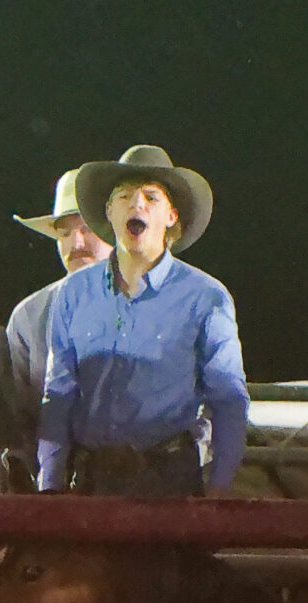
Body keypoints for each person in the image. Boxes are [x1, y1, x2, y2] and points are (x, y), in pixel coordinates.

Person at [35, 145, 247, 498]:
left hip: (169, 481)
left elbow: (228, 399)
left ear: (171, 216)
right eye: (125, 196)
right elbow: (57, 395)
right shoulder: (73, 293)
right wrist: (51, 485)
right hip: (92, 480)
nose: (137, 204)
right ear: (109, 212)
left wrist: (220, 487)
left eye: (151, 197)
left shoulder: (206, 297)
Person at [2, 170, 108, 486]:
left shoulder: (158, 305)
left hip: (142, 489)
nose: (76, 243)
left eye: (88, 229)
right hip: (53, 494)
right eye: (64, 233)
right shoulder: (29, 316)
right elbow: (15, 420)